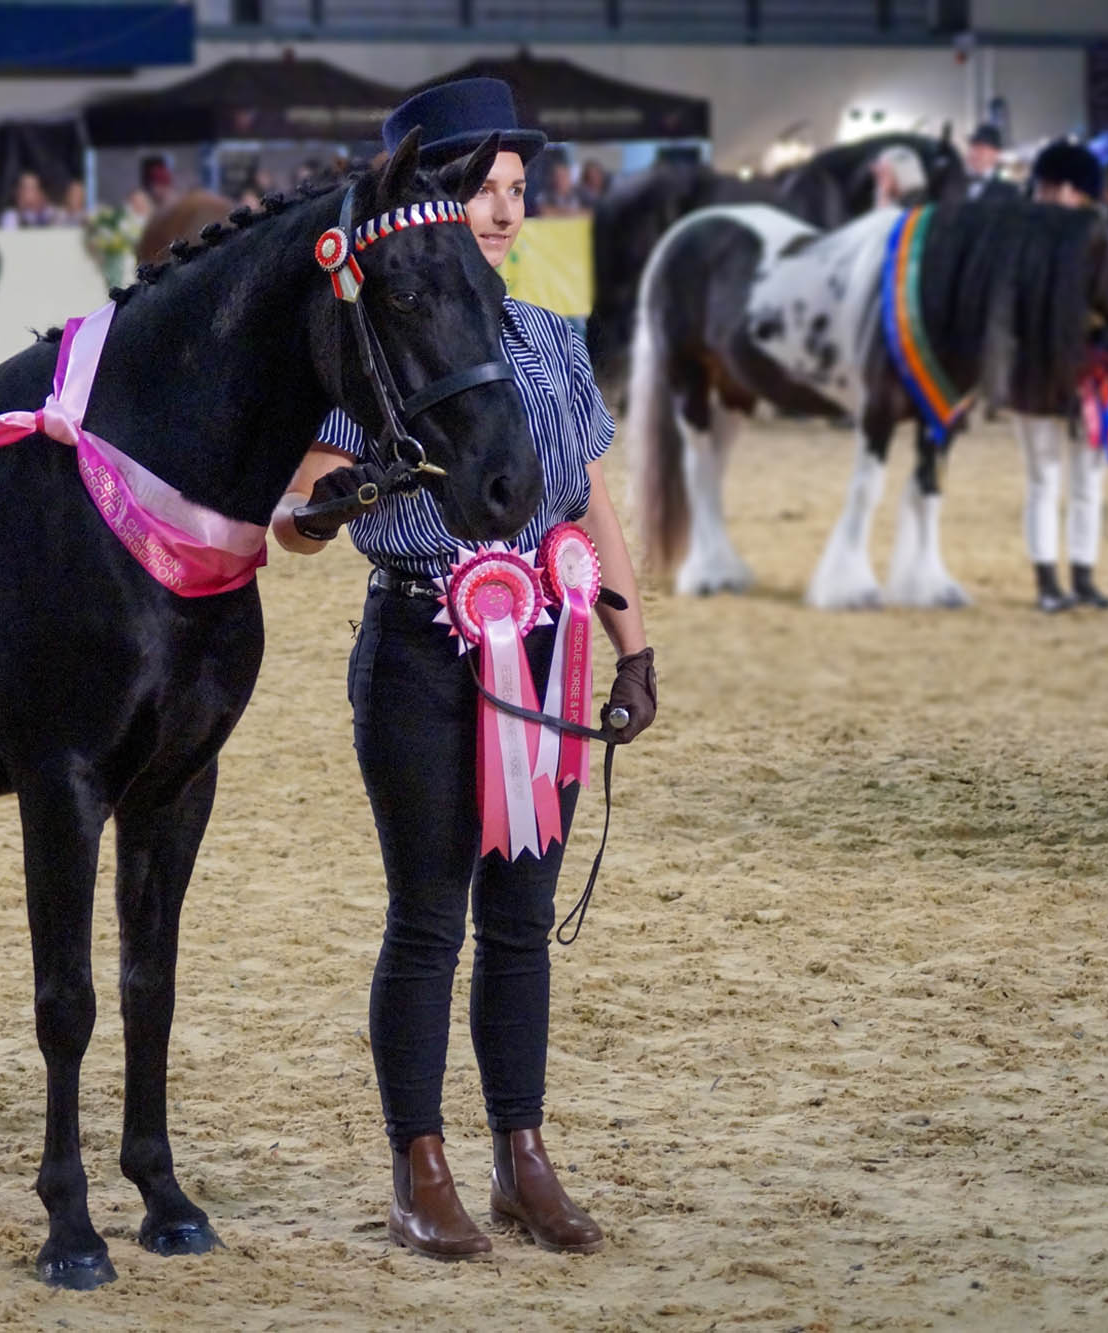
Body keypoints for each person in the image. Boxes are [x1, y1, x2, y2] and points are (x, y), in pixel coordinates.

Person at [269, 77, 657, 1263]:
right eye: (483, 189)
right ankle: (417, 1166)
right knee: (429, 917)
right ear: (431, 197)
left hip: (545, 647)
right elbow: (290, 514)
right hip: (418, 654)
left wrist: (634, 644)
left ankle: (520, 1157)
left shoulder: (547, 337)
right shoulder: (378, 345)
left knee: (524, 921)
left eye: (514, 192)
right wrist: (331, 507)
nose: (503, 212)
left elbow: (589, 494)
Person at [1017, 140, 1108, 612]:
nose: (1047, 195)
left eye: (1054, 187)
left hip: (1089, 371)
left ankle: (1083, 573)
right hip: (1036, 373)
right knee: (1043, 477)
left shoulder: (1100, 242)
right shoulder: (1022, 240)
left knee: (1087, 480)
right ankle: (1046, 580)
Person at [965, 123, 1019, 203]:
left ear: (996, 154)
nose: (974, 153)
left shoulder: (1008, 189)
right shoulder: (956, 181)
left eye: (981, 149)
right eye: (973, 147)